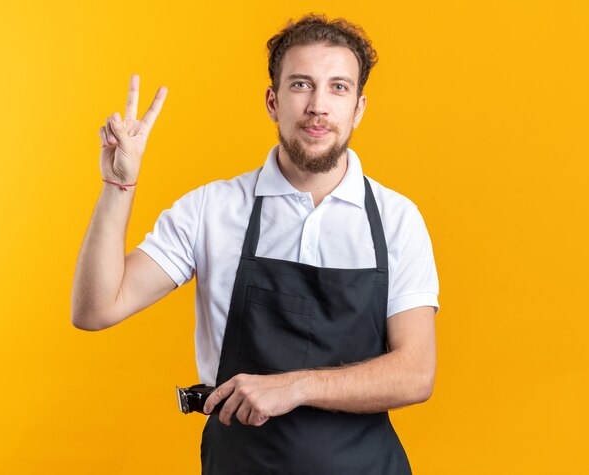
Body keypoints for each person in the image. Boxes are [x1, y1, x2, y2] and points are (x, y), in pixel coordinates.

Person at [72, 13, 440, 475]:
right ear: (273, 100)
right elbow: (95, 309)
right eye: (301, 85)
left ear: (359, 108)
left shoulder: (396, 219)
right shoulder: (212, 209)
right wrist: (117, 186)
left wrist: (294, 387)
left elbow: (415, 373)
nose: (318, 106)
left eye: (338, 88)